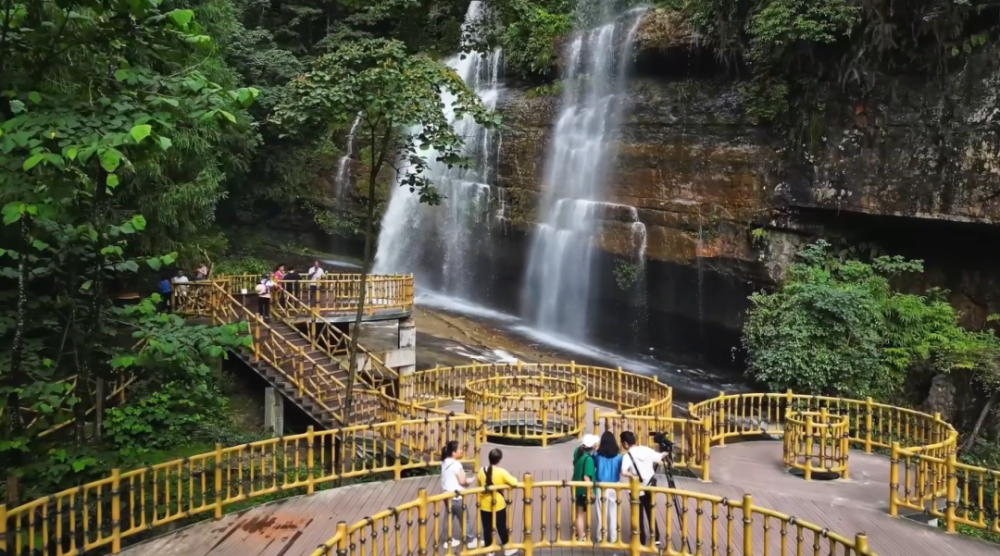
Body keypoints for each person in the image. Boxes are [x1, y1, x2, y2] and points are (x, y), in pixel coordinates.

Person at [620, 431, 666, 546]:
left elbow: (623, 471)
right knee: (651, 511)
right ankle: (656, 537)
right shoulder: (646, 450)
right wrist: (666, 451)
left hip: (636, 489)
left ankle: (640, 539)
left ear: (625, 443)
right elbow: (660, 457)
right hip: (650, 486)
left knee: (638, 514)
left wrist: (632, 476)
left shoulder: (627, 456)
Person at [477, 449, 518, 556]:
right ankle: (507, 547)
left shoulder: (481, 470)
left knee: (487, 528)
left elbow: (479, 485)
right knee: (501, 526)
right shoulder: (501, 472)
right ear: (499, 460)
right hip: (498, 504)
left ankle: (489, 550)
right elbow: (514, 482)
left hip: (484, 504)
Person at [440, 440, 478, 549]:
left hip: (446, 494)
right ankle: (470, 539)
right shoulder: (456, 465)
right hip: (456, 496)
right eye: (460, 449)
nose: (462, 451)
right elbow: (462, 481)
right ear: (453, 453)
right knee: (464, 518)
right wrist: (470, 481)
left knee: (448, 517)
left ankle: (448, 539)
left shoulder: (444, 461)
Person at [594, 431, 623, 543]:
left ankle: (601, 536)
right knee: (614, 513)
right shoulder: (619, 457)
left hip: (601, 486)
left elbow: (594, 463)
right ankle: (613, 537)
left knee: (601, 513)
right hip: (615, 486)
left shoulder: (597, 455)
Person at [572, 434, 599, 542]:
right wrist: (591, 492)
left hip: (577, 487)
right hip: (584, 490)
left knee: (579, 513)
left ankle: (579, 533)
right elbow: (586, 477)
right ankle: (581, 536)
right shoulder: (589, 460)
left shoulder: (577, 451)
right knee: (581, 514)